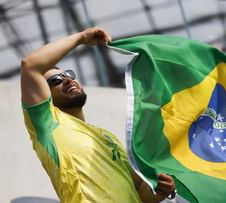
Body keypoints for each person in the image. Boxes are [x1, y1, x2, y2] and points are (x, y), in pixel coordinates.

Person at [20, 27, 175, 202]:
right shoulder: (48, 124)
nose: (67, 79)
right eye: (55, 81)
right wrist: (82, 37)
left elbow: (139, 191)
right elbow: (30, 66)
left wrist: (160, 189)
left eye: (68, 74)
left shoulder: (107, 137)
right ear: (44, 95)